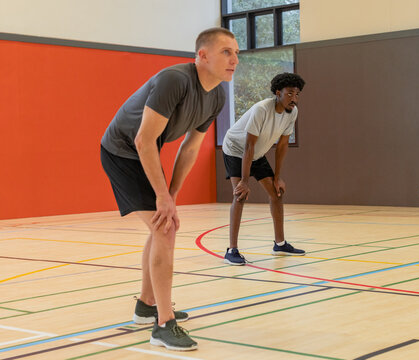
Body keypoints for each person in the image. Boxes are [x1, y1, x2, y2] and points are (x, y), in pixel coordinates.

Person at [100, 27, 239, 351]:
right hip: (122, 150)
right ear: (202, 56)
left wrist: (172, 194)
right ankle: (163, 324)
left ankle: (147, 305)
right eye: (226, 52)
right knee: (166, 229)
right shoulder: (174, 80)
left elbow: (190, 148)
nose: (234, 60)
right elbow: (143, 140)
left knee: (162, 225)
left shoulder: (217, 93)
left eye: (236, 53)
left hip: (145, 149)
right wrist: (163, 197)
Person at [221, 73, 306, 265]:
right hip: (236, 149)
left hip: (257, 153)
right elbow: (248, 146)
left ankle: (280, 243)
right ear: (278, 93)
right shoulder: (261, 109)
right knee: (240, 195)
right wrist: (244, 181)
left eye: (297, 94)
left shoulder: (292, 113)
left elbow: (282, 146)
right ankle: (231, 250)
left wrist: (277, 177)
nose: (294, 98)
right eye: (290, 93)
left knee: (276, 194)